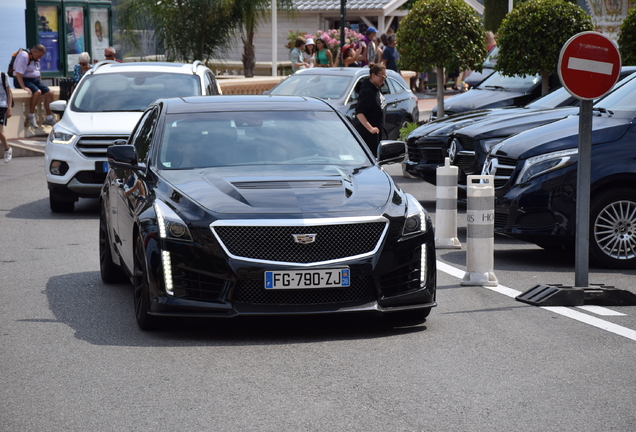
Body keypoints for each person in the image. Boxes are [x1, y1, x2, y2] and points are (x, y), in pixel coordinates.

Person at [12, 45, 55, 128]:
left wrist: (40, 81)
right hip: (23, 80)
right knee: (37, 92)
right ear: (34, 51)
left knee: (50, 93)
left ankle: (49, 118)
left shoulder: (35, 57)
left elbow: (37, 71)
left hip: (34, 80)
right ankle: (31, 116)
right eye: (39, 56)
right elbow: (18, 73)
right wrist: (23, 86)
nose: (40, 58)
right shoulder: (24, 55)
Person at [354, 63, 387, 154]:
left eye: (385, 76)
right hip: (367, 136)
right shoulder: (367, 91)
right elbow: (359, 112)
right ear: (373, 75)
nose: (384, 79)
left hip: (376, 135)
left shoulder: (376, 87)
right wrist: (371, 128)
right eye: (382, 77)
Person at [1, 71, 13, 163]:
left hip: (2, 106)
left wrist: (9, 108)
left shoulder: (3, 76)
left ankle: (7, 149)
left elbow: (9, 92)